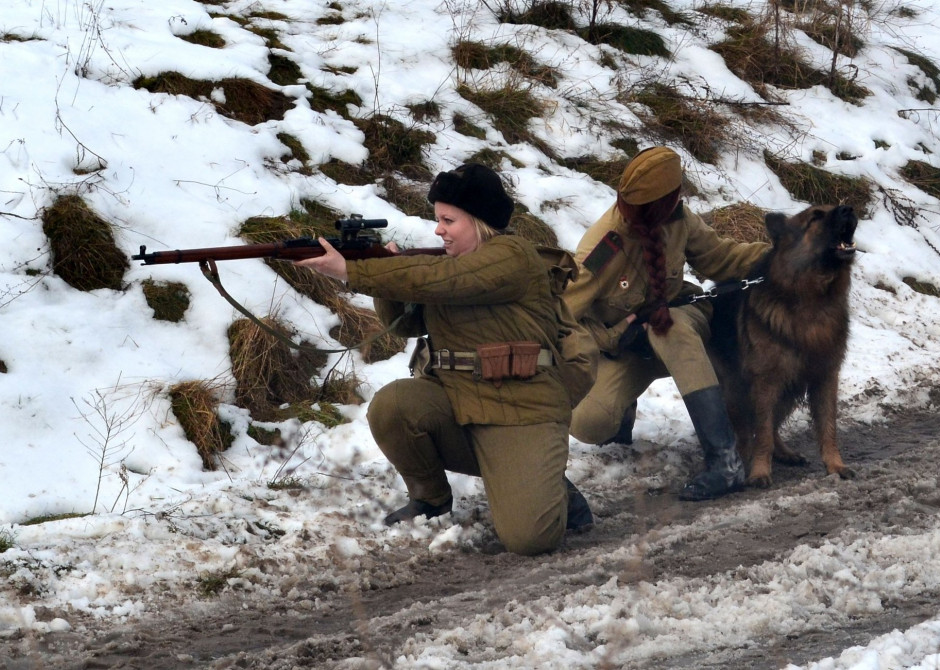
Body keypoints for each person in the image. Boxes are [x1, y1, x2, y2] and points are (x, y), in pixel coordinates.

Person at [295, 163, 593, 555]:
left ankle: (547, 484)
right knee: (394, 405)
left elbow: (446, 281)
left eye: (449, 220)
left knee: (530, 539)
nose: (439, 230)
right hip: (458, 399)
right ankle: (430, 499)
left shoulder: (512, 255)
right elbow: (408, 324)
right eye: (438, 219)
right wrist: (383, 278)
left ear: (481, 221)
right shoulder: (454, 267)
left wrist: (355, 270)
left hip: (520, 408)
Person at [563, 146, 770, 501]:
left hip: (682, 325)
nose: (680, 199)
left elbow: (722, 258)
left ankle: (725, 461)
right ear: (662, 201)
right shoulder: (603, 248)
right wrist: (614, 336)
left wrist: (782, 253)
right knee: (589, 423)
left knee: (670, 326)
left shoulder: (680, 220)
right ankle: (622, 415)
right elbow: (563, 316)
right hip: (628, 347)